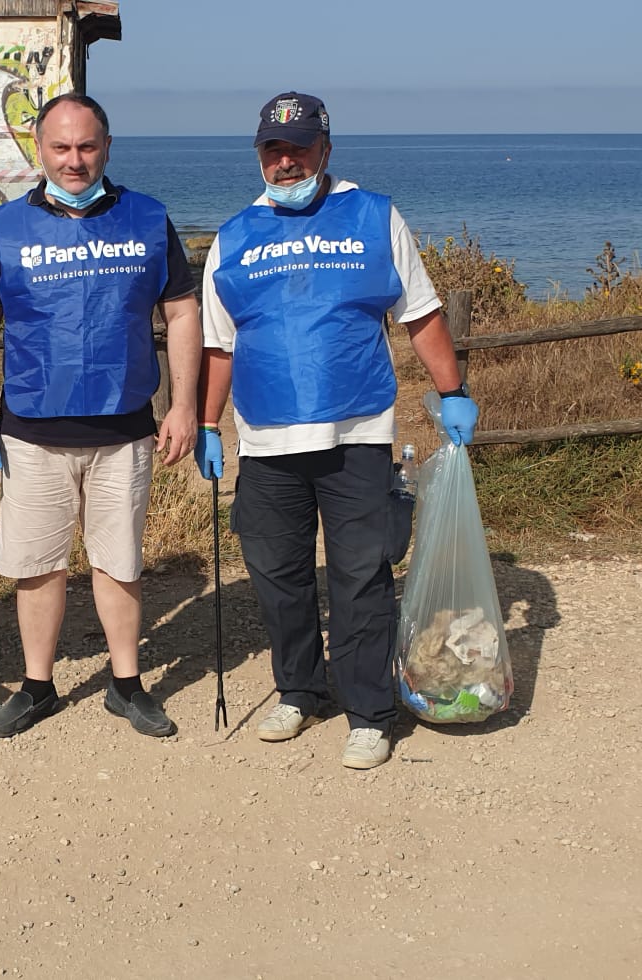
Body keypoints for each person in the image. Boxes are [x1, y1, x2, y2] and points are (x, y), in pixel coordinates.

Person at [194, 92, 477, 770]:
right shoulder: (234, 236)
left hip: (358, 431)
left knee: (360, 578)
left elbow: (421, 312)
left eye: (299, 147)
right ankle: (299, 689)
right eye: (273, 148)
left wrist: (453, 391)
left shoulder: (374, 215)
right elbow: (218, 345)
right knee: (279, 577)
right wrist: (206, 422)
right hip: (265, 441)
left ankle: (369, 713)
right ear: (259, 154)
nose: (285, 160)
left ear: (326, 148)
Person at [0, 93, 204, 739]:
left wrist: (184, 407)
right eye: (61, 147)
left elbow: (181, 314)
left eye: (87, 146)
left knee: (119, 562)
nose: (74, 160)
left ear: (108, 146)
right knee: (38, 565)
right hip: (33, 429)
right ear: (40, 149)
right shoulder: (7, 226)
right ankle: (37, 686)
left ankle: (126, 685)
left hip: (124, 428)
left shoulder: (148, 219)